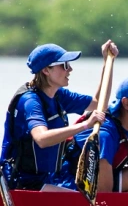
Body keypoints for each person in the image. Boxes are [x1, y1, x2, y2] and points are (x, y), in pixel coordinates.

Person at [2, 41, 117, 191]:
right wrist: (85, 125)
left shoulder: (58, 96)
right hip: (20, 182)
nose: (70, 69)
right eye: (64, 65)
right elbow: (42, 139)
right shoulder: (30, 101)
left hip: (45, 178)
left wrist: (108, 62)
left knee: (85, 203)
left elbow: (98, 102)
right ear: (46, 70)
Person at [70, 75, 128, 193]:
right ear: (127, 103)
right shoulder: (105, 135)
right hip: (70, 187)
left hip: (100, 184)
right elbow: (104, 193)